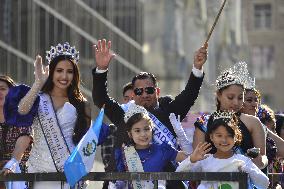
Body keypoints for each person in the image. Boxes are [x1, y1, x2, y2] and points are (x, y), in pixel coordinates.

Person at [92, 39, 207, 189]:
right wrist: (101, 69)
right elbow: (101, 99)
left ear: (157, 91)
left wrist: (197, 68)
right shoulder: (125, 115)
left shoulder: (169, 111)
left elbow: (189, 94)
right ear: (133, 94)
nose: (145, 94)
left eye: (150, 90)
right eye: (139, 91)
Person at [3, 42, 107, 189]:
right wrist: (38, 83)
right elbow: (22, 111)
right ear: (51, 72)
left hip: (69, 173)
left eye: (69, 71)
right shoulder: (39, 98)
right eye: (59, 70)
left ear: (75, 74)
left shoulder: (80, 104)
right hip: (40, 174)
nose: (64, 76)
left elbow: (84, 140)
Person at [193, 62, 268, 169]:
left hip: (245, 181)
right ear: (219, 95)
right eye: (230, 97)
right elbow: (197, 159)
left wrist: (260, 162)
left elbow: (263, 156)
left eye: (240, 98)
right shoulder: (204, 122)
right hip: (213, 180)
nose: (236, 103)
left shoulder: (253, 122)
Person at [177, 110, 269, 189]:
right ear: (211, 137)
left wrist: (249, 170)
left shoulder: (243, 161)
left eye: (229, 135)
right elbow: (179, 175)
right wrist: (192, 159)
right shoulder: (205, 160)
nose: (224, 140)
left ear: (236, 137)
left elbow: (264, 184)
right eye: (219, 135)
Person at [112, 103, 188, 189]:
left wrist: (181, 136)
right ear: (130, 134)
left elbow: (189, 158)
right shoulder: (124, 153)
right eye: (137, 131)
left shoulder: (162, 150)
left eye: (147, 129)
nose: (143, 134)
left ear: (152, 129)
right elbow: (120, 181)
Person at [0, 75, 32, 189]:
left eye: (3, 89)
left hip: (18, 178)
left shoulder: (21, 116)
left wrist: (12, 163)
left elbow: (24, 140)